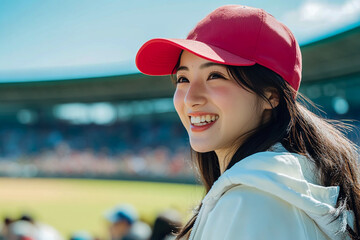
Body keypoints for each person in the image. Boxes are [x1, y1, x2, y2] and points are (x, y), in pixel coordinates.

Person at [135, 4, 360, 240]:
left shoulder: (246, 203)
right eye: (183, 78)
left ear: (271, 96)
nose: (190, 98)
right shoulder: (292, 184)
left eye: (215, 75)